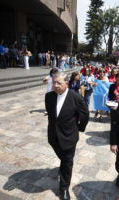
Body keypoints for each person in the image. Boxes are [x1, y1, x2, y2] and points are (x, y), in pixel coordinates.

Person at [45, 72, 89, 200]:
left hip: (69, 136)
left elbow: (85, 115)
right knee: (64, 159)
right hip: (53, 136)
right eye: (54, 83)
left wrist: (81, 127)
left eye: (59, 83)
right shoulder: (49, 96)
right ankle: (64, 166)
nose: (56, 85)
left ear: (66, 83)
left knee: (67, 162)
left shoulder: (76, 97)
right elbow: (51, 115)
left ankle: (64, 188)